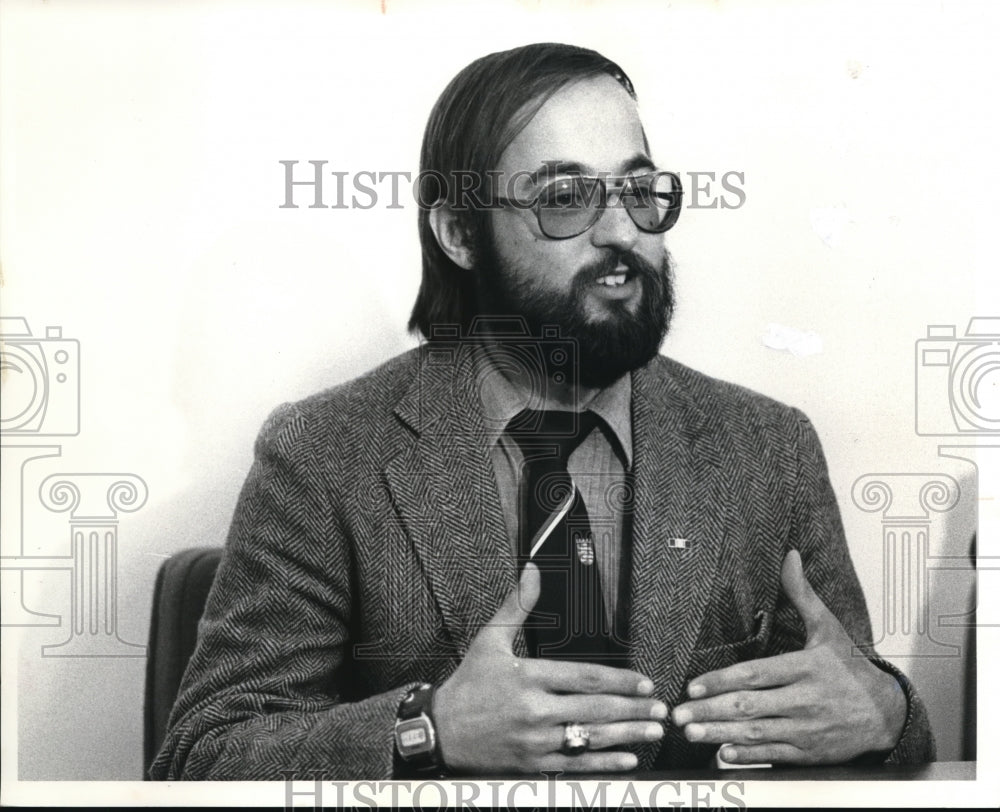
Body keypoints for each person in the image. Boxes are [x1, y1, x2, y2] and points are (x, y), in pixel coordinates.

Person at [150, 42, 934, 780]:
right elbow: (201, 753)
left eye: (637, 189)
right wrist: (431, 729)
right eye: (565, 198)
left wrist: (888, 712)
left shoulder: (768, 447)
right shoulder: (324, 453)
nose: (622, 231)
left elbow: (858, 717)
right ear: (460, 232)